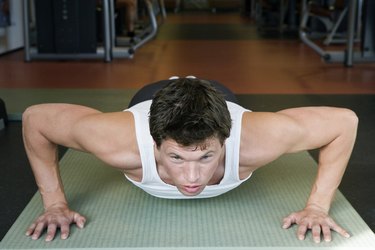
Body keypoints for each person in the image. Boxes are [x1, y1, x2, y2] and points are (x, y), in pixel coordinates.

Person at [22, 77, 357, 243]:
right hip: (151, 96)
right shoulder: (116, 142)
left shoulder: (259, 141)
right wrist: (54, 204)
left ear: (225, 140)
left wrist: (317, 207)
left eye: (207, 156)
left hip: (216, 94)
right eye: (177, 158)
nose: (192, 177)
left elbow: (344, 122)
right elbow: (36, 119)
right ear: (154, 144)